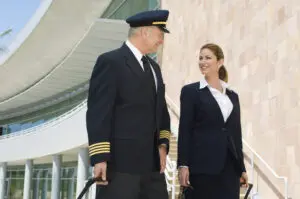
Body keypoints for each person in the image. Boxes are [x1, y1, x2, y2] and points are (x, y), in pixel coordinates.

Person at [86, 10, 171, 199]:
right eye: (159, 35)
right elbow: (99, 113)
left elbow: (161, 111)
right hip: (120, 166)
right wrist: (100, 158)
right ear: (145, 32)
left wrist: (163, 144)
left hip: (153, 168)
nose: (161, 41)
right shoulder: (110, 62)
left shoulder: (155, 68)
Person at [177, 43, 248, 199]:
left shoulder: (232, 96)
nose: (203, 62)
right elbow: (185, 130)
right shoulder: (191, 92)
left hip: (229, 169)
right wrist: (183, 165)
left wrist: (241, 168)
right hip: (201, 167)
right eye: (201, 58)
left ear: (220, 62)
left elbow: (236, 134)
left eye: (208, 58)